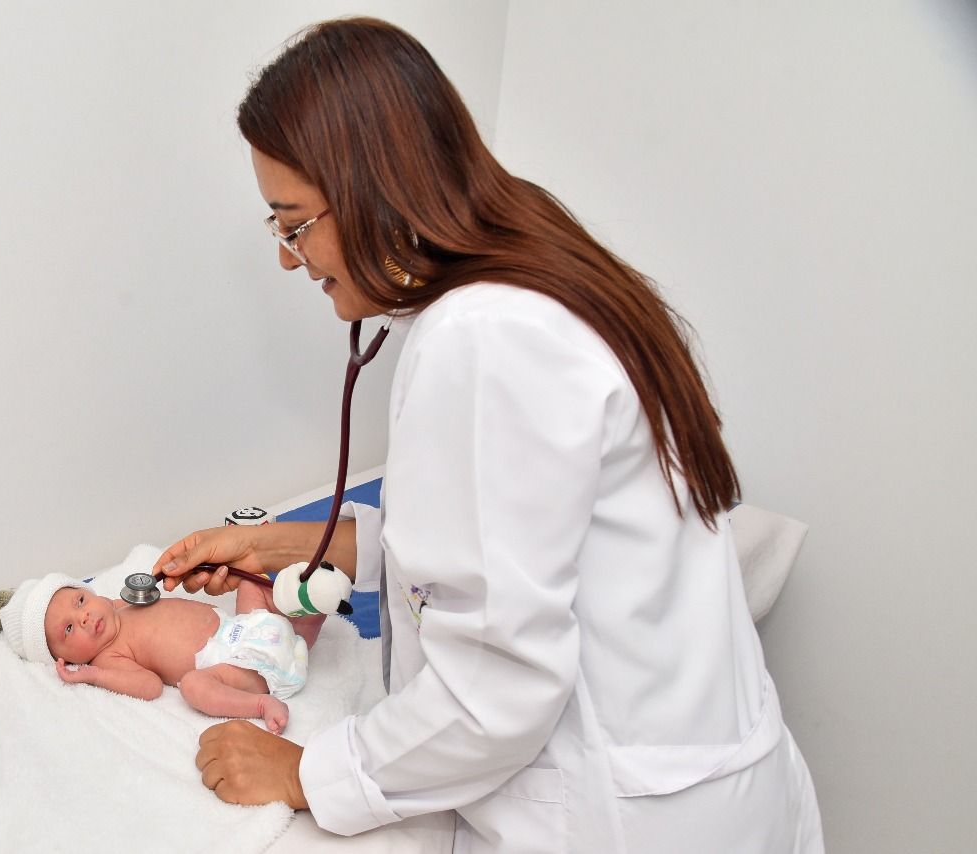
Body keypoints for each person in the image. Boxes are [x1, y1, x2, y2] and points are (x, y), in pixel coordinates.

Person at [152, 16, 824, 854]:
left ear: (370, 189)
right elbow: (519, 542)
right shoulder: (540, 266)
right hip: (709, 789)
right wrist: (285, 545)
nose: (289, 258)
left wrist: (307, 773)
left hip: (625, 822)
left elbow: (495, 693)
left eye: (293, 223)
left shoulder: (484, 340)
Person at [0, 571, 320, 733]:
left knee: (251, 582)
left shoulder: (117, 603)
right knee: (192, 687)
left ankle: (303, 620)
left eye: (80, 601)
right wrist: (95, 675)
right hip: (232, 664)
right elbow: (150, 686)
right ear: (65, 657)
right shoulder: (107, 656)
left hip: (246, 627)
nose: (83, 617)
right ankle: (260, 704)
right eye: (68, 629)